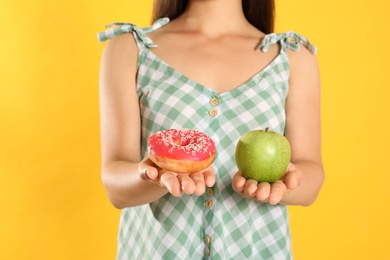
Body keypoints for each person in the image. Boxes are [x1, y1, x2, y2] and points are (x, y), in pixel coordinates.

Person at [98, 0, 324, 259]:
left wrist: (288, 184)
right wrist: (152, 175)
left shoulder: (293, 56)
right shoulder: (129, 48)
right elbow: (115, 185)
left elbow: (311, 173)